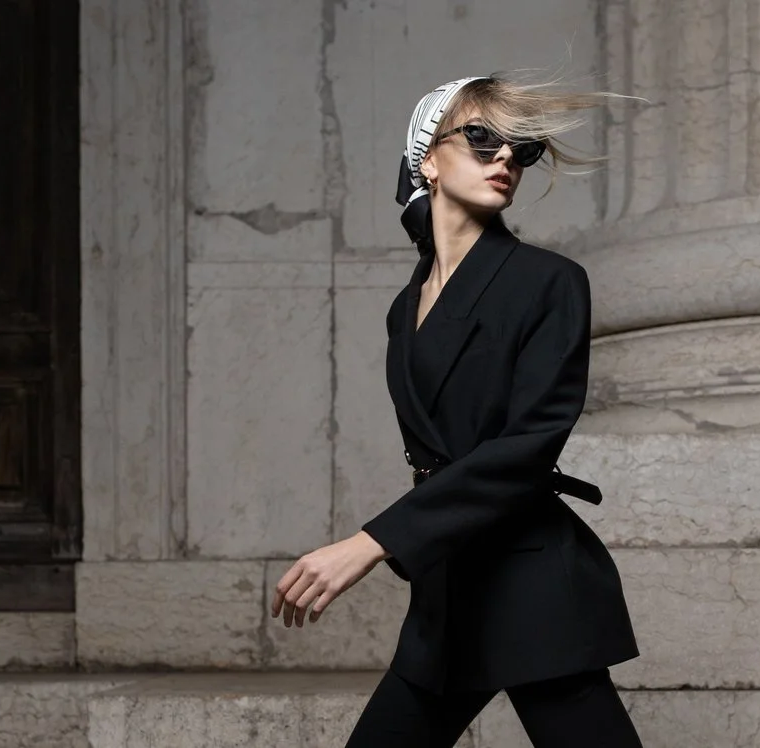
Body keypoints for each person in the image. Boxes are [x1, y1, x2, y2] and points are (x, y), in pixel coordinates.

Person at [267, 74, 645, 748]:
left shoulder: (549, 282)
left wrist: (370, 542)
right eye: (481, 138)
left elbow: (526, 448)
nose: (504, 157)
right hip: (450, 589)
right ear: (429, 159)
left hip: (531, 585)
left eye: (519, 150)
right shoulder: (403, 309)